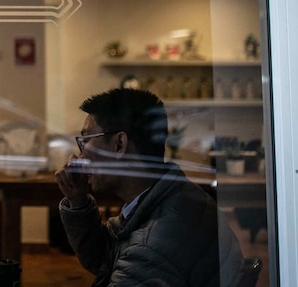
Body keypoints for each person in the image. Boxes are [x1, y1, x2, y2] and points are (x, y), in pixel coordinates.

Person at [54, 88, 244, 287]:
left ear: (119, 144)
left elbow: (134, 258)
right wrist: (78, 202)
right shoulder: (176, 196)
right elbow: (105, 259)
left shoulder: (152, 246)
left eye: (85, 140)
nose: (80, 156)